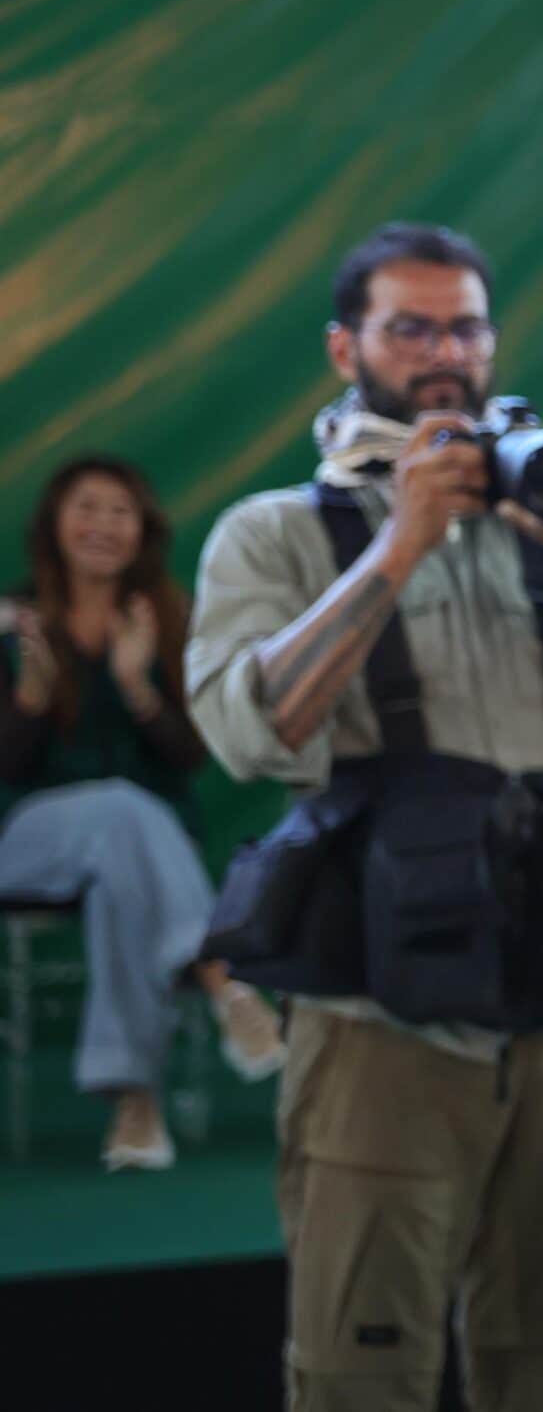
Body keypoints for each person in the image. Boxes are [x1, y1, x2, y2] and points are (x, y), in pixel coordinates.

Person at [186, 222, 543, 1412]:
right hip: (380, 1005)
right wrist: (399, 545)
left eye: (467, 329)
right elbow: (249, 731)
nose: (446, 353)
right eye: (411, 329)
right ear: (347, 348)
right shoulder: (275, 533)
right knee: (360, 1366)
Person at [0, 457, 284, 1170]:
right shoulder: (14, 622)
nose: (103, 524)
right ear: (55, 523)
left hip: (142, 852)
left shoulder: (170, 619)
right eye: (87, 507)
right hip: (29, 840)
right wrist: (31, 696)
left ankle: (135, 1106)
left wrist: (136, 684)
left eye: (119, 511)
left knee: (122, 874)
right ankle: (218, 974)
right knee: (122, 811)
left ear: (142, 530)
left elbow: (191, 755)